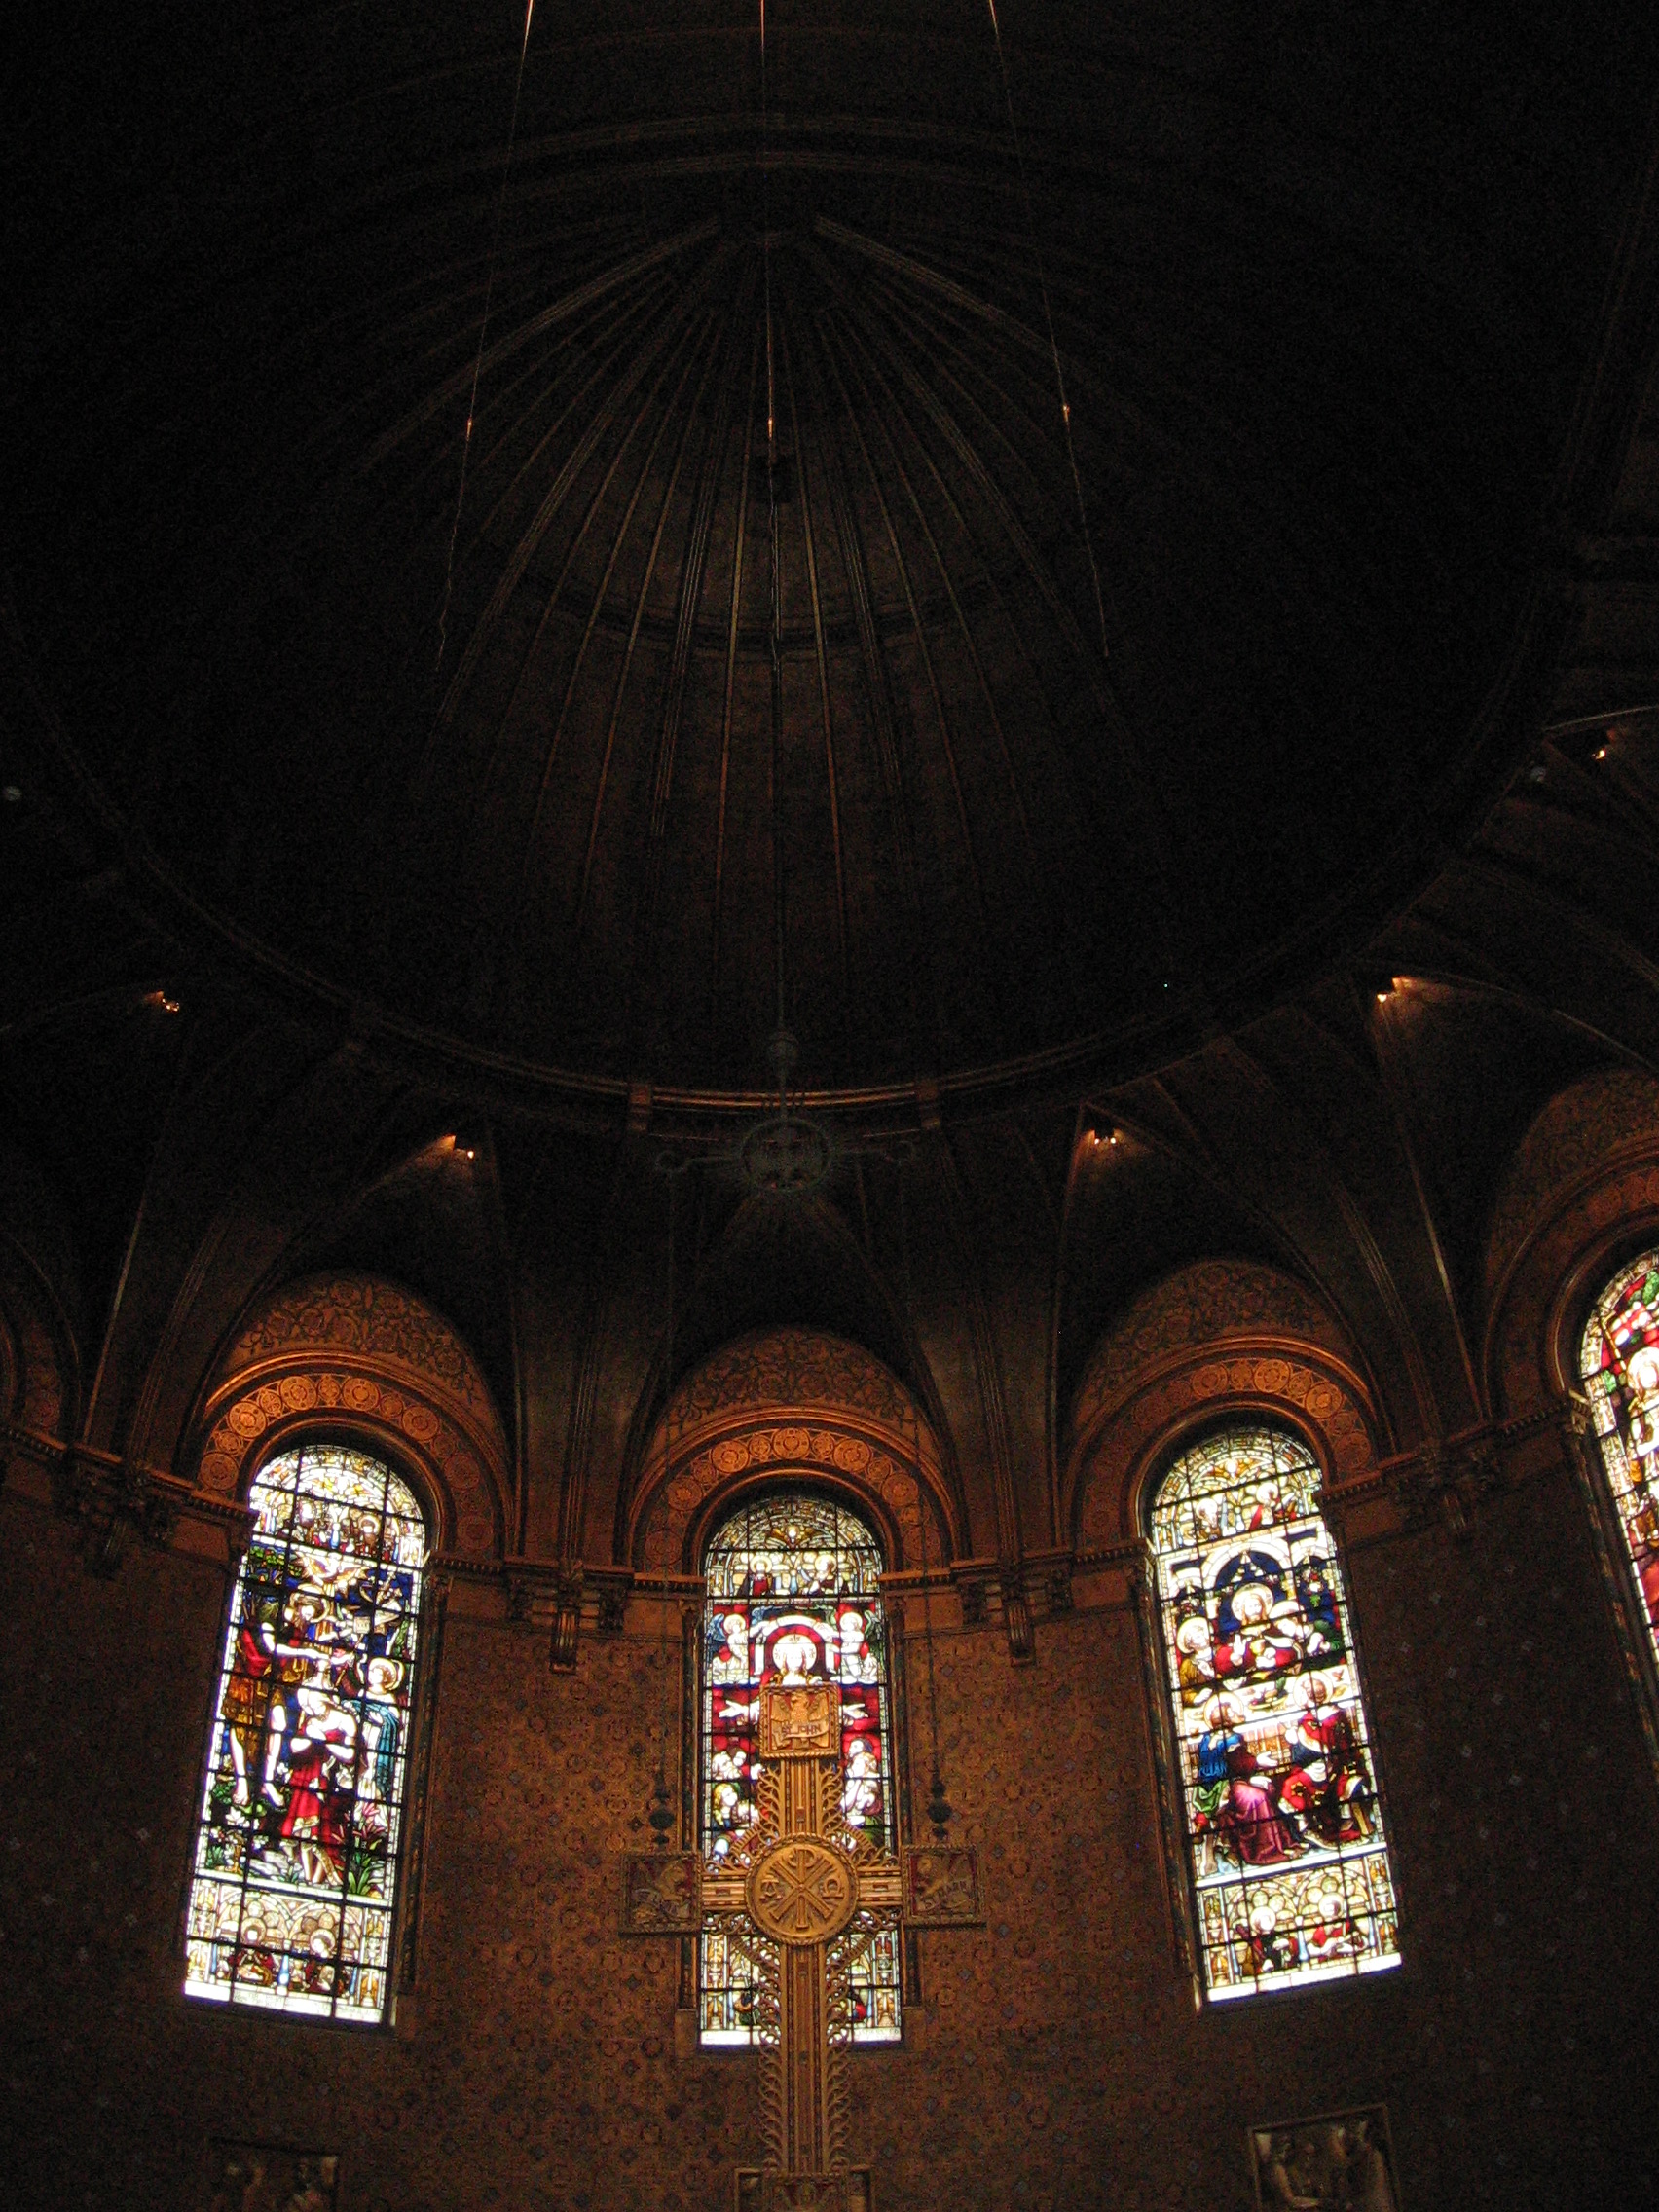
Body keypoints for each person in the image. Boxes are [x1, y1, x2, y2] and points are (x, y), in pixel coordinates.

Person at [1194, 1697, 1304, 1865]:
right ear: (1223, 1718)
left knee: (1264, 1791)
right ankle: (1263, 1851)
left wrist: (1253, 1770)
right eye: (1231, 1712)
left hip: (1233, 1782)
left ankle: (1278, 1845)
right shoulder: (1211, 1740)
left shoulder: (1232, 1738)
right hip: (1215, 1787)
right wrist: (1256, 1762)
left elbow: (1239, 1763)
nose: (1236, 1713)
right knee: (1255, 1798)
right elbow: (1227, 1765)